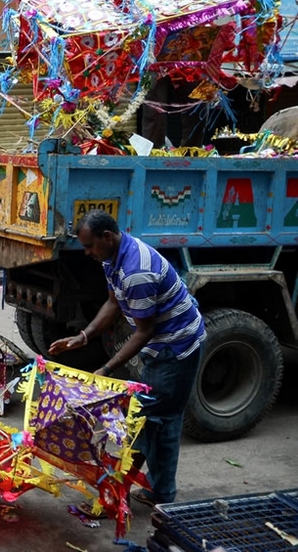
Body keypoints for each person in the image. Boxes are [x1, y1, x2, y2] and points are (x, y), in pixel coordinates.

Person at [49, 210, 205, 508]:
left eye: (89, 246)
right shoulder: (111, 258)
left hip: (175, 348)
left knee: (144, 421)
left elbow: (144, 331)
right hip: (163, 346)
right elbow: (113, 303)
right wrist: (83, 336)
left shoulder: (137, 272)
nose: (87, 253)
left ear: (107, 237)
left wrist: (107, 369)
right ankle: (160, 493)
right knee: (160, 420)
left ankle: (114, 499)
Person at [140, 0, 205, 149]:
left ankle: (192, 154)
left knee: (196, 106)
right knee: (154, 109)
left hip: (189, 61)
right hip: (158, 62)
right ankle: (151, 157)